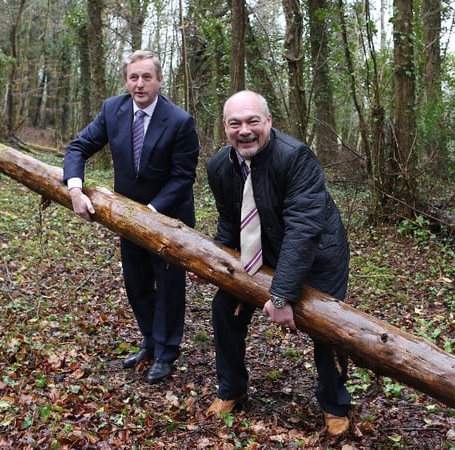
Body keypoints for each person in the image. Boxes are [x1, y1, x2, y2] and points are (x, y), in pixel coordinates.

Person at [200, 90, 352, 436]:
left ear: (268, 121)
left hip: (319, 255)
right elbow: (229, 220)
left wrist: (281, 295)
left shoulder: (296, 157)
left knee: (328, 328)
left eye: (253, 121)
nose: (245, 130)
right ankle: (232, 389)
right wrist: (213, 263)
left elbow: (304, 228)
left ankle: (334, 404)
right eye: (235, 123)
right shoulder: (219, 167)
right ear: (225, 127)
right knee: (225, 307)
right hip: (263, 251)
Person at [63, 50, 200, 384]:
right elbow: (78, 147)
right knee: (137, 284)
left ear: (159, 80)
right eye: (133, 77)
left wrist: (149, 214)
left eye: (146, 77)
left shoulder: (180, 121)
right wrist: (75, 189)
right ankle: (151, 342)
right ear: (126, 80)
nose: (139, 84)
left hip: (167, 220)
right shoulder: (113, 109)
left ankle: (167, 353)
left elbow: (183, 177)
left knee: (168, 287)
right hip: (126, 219)